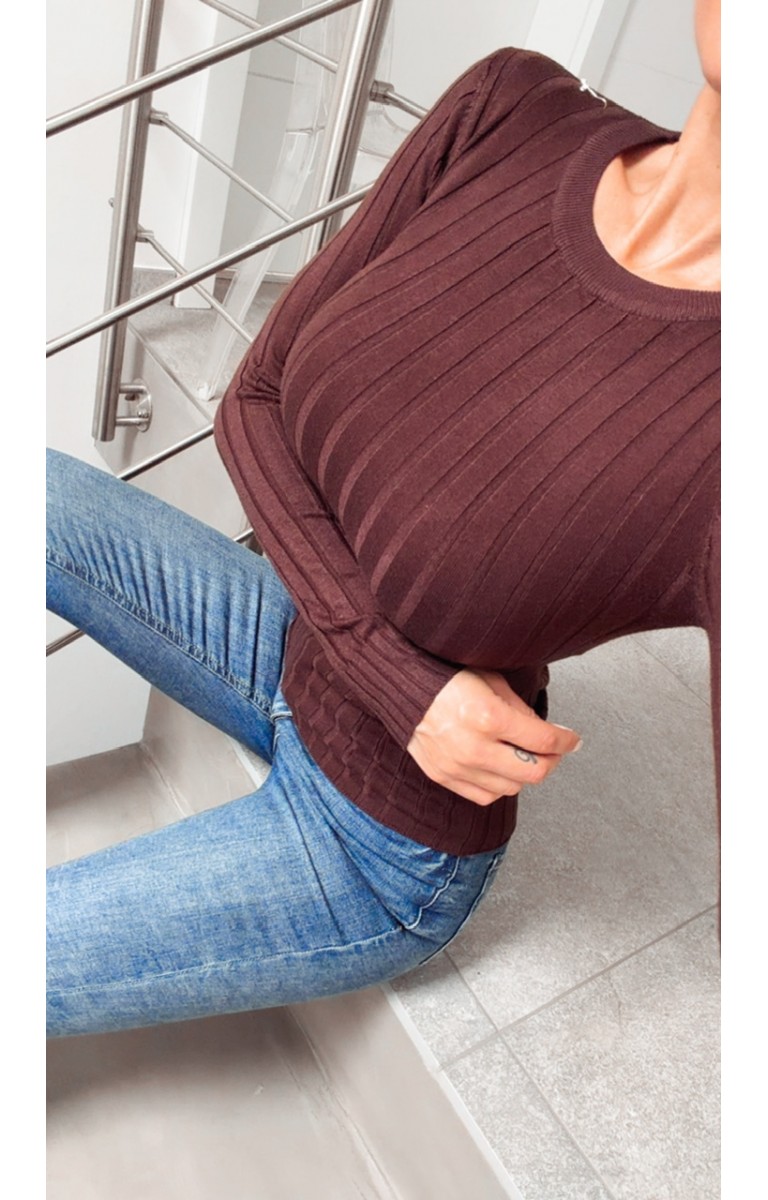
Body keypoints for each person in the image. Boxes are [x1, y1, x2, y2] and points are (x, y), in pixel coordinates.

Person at [46, 0, 719, 1038]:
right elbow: (253, 401)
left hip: (378, 842)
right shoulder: (511, 107)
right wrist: (405, 682)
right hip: (290, 642)